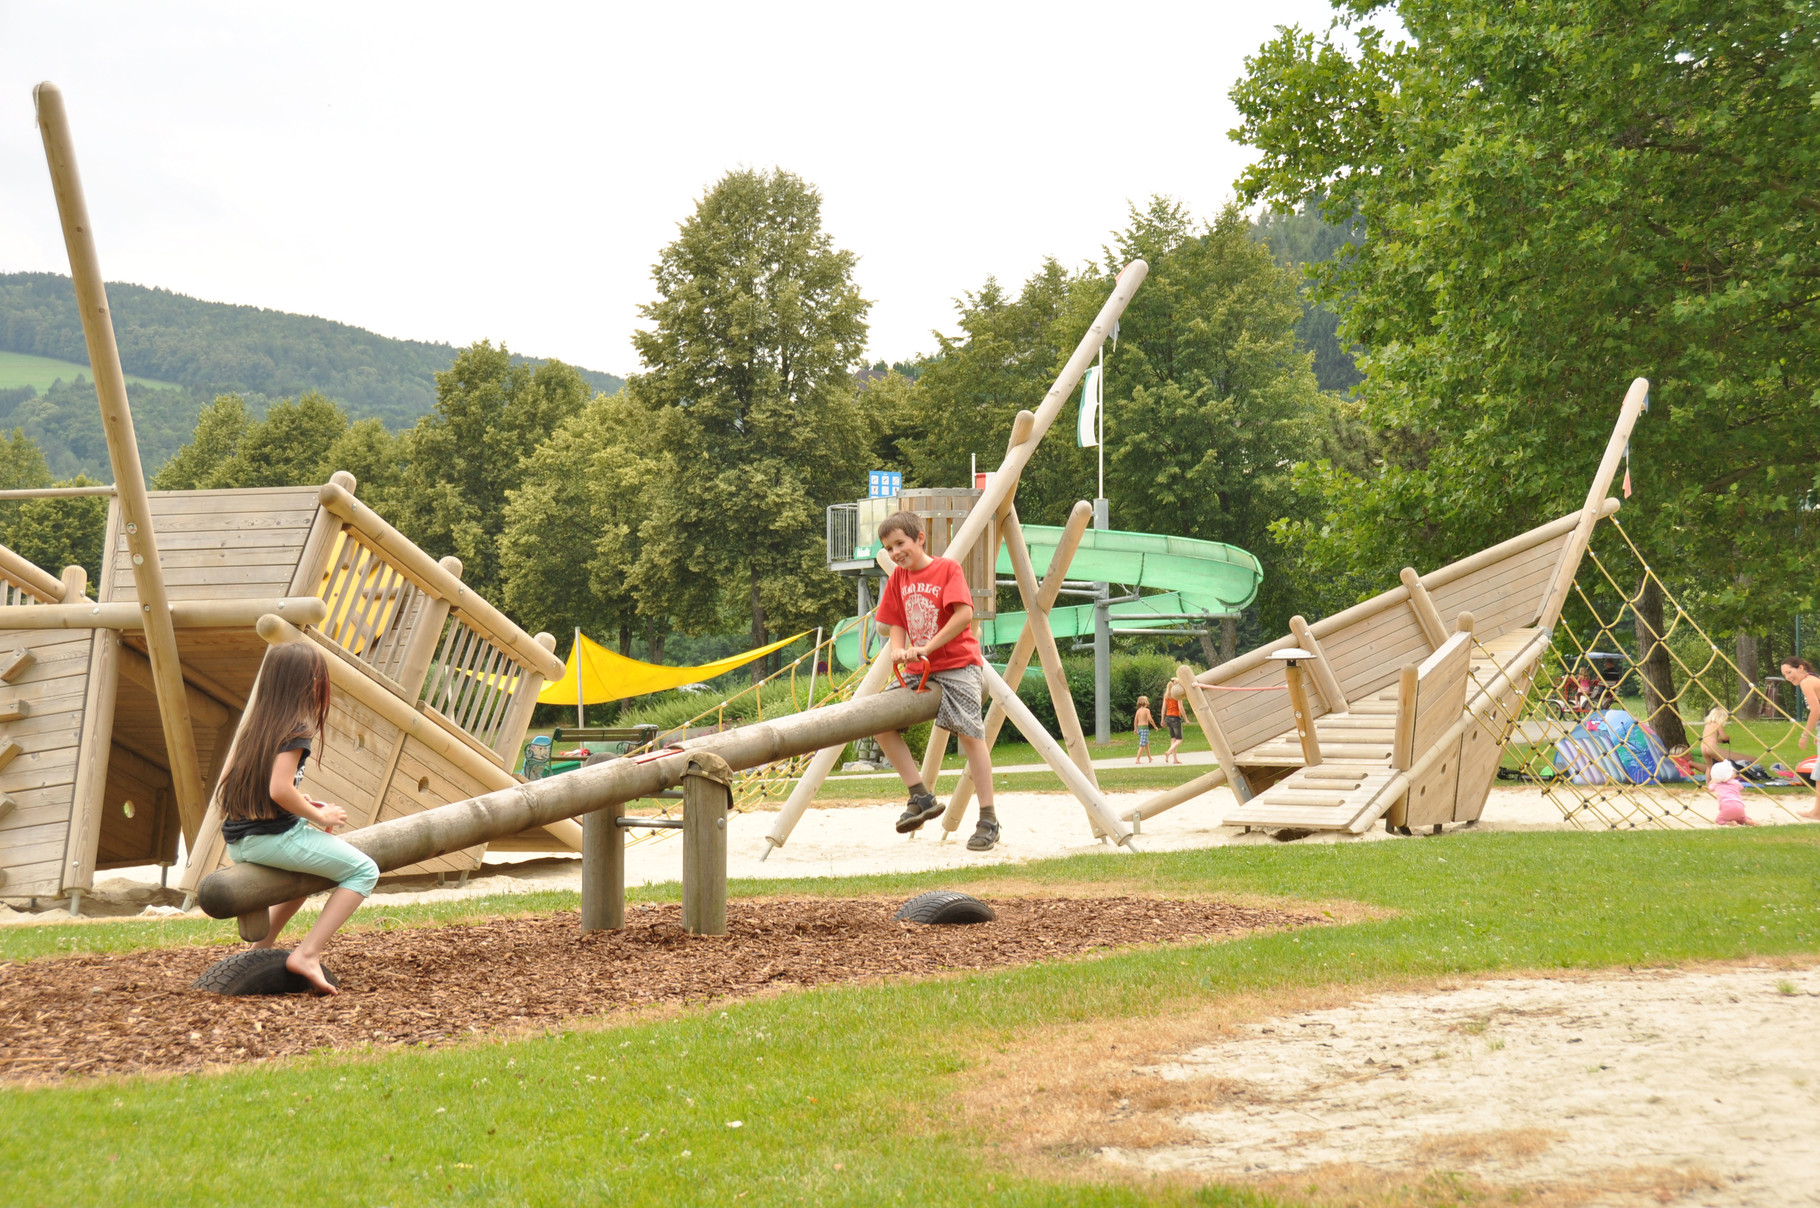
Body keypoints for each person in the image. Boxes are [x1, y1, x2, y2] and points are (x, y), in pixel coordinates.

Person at [217, 641, 378, 994]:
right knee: (365, 871)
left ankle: (261, 949)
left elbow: (237, 782)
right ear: (310, 684)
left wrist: (299, 802)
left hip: (242, 841)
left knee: (305, 878)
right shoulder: (296, 730)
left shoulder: (256, 725)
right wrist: (320, 817)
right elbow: (278, 789)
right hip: (271, 840)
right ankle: (308, 953)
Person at [868, 511, 1000, 852]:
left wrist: (928, 646)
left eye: (900, 543)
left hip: (957, 664)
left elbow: (964, 615)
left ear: (919, 538)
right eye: (889, 547)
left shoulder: (946, 569)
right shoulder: (898, 578)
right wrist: (898, 650)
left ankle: (988, 817)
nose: (896, 552)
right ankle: (920, 794)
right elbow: (896, 620)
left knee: (971, 736)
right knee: (880, 723)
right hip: (917, 669)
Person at [1782, 657, 1820, 819]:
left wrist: (1805, 735)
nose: (1787, 677)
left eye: (1789, 672)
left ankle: (1817, 812)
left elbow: (1816, 710)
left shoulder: (1806, 682)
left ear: (1801, 668)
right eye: (1784, 675)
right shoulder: (1814, 679)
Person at [1707, 760, 1758, 826]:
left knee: (1719, 820)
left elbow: (1710, 788)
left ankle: (1729, 823)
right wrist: (1732, 777)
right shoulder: (1735, 782)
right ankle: (1747, 820)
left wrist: (1712, 780)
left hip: (1726, 808)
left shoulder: (1717, 784)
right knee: (1742, 818)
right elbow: (1740, 787)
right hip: (1739, 807)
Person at [1161, 682, 1186, 764]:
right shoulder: (1177, 696)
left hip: (1168, 717)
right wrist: (1186, 719)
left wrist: (1162, 719)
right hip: (1175, 717)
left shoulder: (1166, 696)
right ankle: (1168, 751)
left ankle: (1175, 759)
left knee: (1173, 738)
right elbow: (1180, 707)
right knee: (1179, 739)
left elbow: (1163, 708)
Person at [1133, 696, 1155, 763]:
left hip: (1139, 728)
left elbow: (1135, 720)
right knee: (1142, 744)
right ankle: (1137, 759)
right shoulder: (1146, 710)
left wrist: (1135, 729)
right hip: (1144, 729)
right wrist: (1155, 726)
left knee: (1146, 744)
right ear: (1145, 702)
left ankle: (1150, 758)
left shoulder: (1138, 711)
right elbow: (1150, 719)